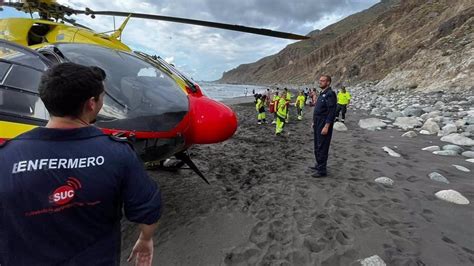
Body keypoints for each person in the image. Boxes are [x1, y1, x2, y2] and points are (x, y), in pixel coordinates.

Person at [0, 63, 162, 265]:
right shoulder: (118, 153)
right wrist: (145, 239)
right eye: (102, 96)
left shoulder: (5, 156)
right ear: (91, 104)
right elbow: (147, 211)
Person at [310, 75, 337, 177]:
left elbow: (331, 112)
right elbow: (318, 109)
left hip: (324, 123)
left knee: (322, 146)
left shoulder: (330, 94)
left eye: (322, 81)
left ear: (328, 82)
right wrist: (313, 121)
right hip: (317, 122)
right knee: (317, 145)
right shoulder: (322, 93)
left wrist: (327, 126)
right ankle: (318, 165)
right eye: (319, 80)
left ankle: (322, 171)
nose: (320, 82)